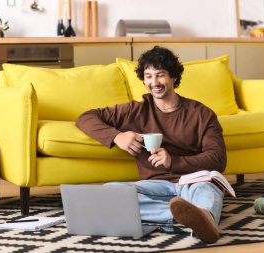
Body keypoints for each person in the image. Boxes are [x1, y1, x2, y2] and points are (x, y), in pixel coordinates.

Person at [76, 46, 227, 244]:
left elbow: (217, 159)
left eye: (160, 75)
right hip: (155, 187)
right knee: (109, 191)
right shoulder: (135, 111)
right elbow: (86, 117)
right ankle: (184, 216)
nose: (154, 82)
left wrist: (173, 161)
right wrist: (117, 137)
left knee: (208, 188)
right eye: (148, 76)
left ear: (173, 76)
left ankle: (202, 217)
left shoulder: (201, 113)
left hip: (193, 181)